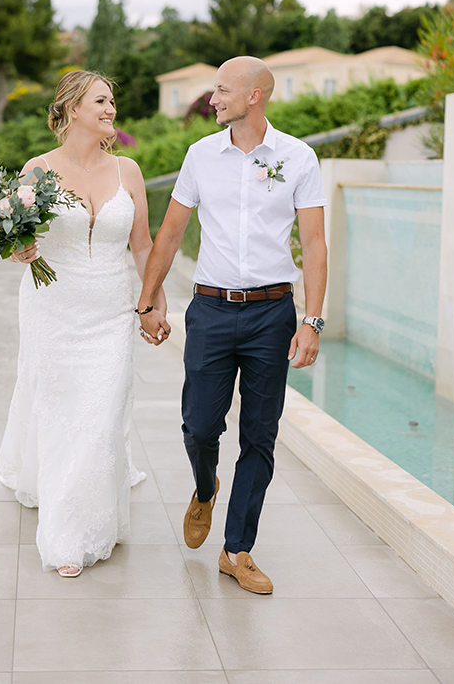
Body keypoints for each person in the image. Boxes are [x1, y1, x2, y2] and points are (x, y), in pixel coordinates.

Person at [138, 56, 327, 594]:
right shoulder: (201, 155)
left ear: (254, 96)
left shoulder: (298, 157)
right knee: (200, 426)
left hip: (272, 313)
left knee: (260, 436)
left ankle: (237, 549)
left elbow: (313, 243)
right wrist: (148, 301)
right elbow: (171, 233)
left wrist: (311, 319)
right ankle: (204, 488)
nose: (213, 98)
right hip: (212, 309)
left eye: (222, 90)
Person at [0, 70, 167, 577]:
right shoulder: (38, 169)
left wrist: (153, 300)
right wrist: (20, 250)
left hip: (112, 312)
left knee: (101, 412)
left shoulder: (128, 172)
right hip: (53, 309)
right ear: (72, 109)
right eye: (101, 100)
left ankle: (81, 525)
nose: (111, 109)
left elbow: (142, 243)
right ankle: (67, 533)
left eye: (112, 100)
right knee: (60, 410)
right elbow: (14, 241)